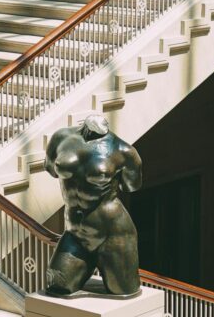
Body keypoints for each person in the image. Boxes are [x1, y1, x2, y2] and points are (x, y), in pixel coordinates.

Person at [44, 114, 143, 298]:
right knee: (57, 286)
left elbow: (132, 186)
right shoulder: (60, 138)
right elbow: (50, 167)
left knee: (124, 294)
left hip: (112, 233)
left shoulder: (124, 152)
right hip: (75, 234)